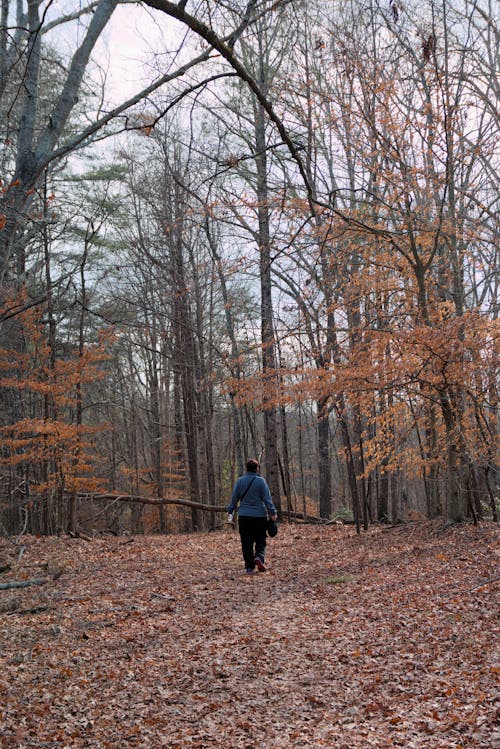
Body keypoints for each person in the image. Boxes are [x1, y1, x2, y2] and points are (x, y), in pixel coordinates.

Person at [227, 458, 278, 574]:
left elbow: (234, 498)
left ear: (246, 468)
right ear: (257, 468)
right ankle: (259, 557)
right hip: (259, 517)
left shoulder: (240, 481)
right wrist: (273, 513)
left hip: (244, 516)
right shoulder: (261, 481)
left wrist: (230, 510)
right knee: (261, 540)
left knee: (246, 542)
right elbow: (267, 499)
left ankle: (249, 567)